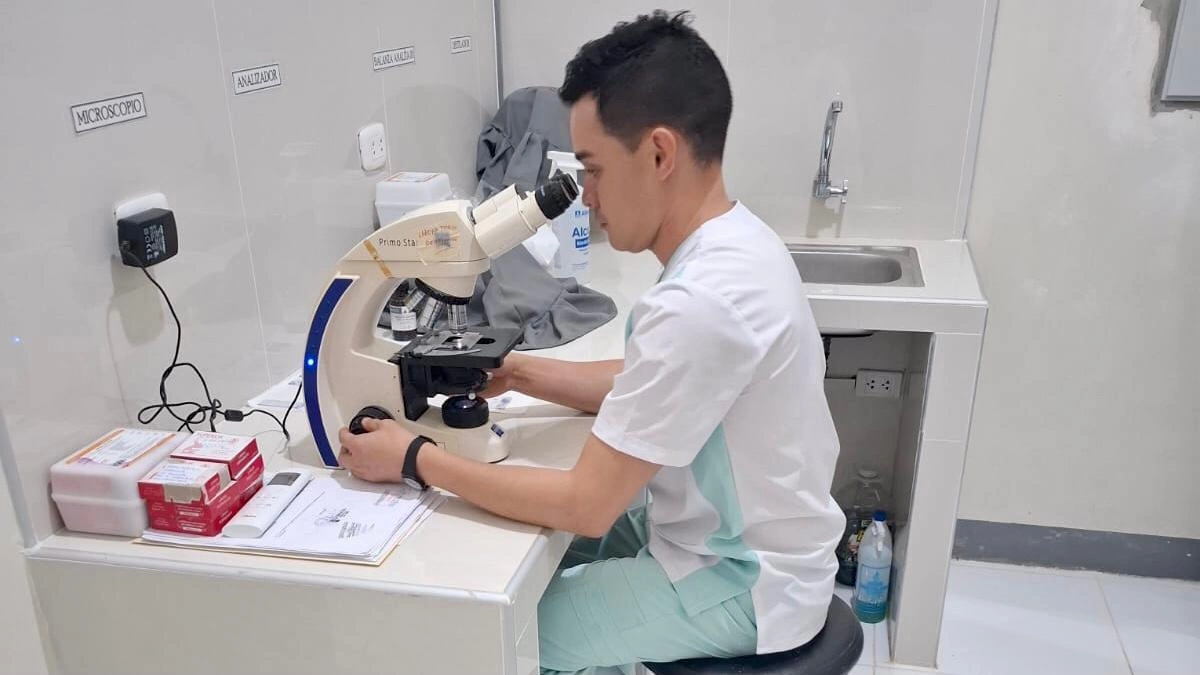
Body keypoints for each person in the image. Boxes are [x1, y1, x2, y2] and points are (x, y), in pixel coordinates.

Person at [337, 10, 845, 675]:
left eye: (594, 170)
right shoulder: (738, 243)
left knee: (497, 636)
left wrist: (414, 458)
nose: (586, 198)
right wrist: (520, 373)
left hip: (743, 582)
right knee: (519, 552)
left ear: (659, 154)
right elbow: (646, 381)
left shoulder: (700, 302)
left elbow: (587, 504)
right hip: (734, 540)